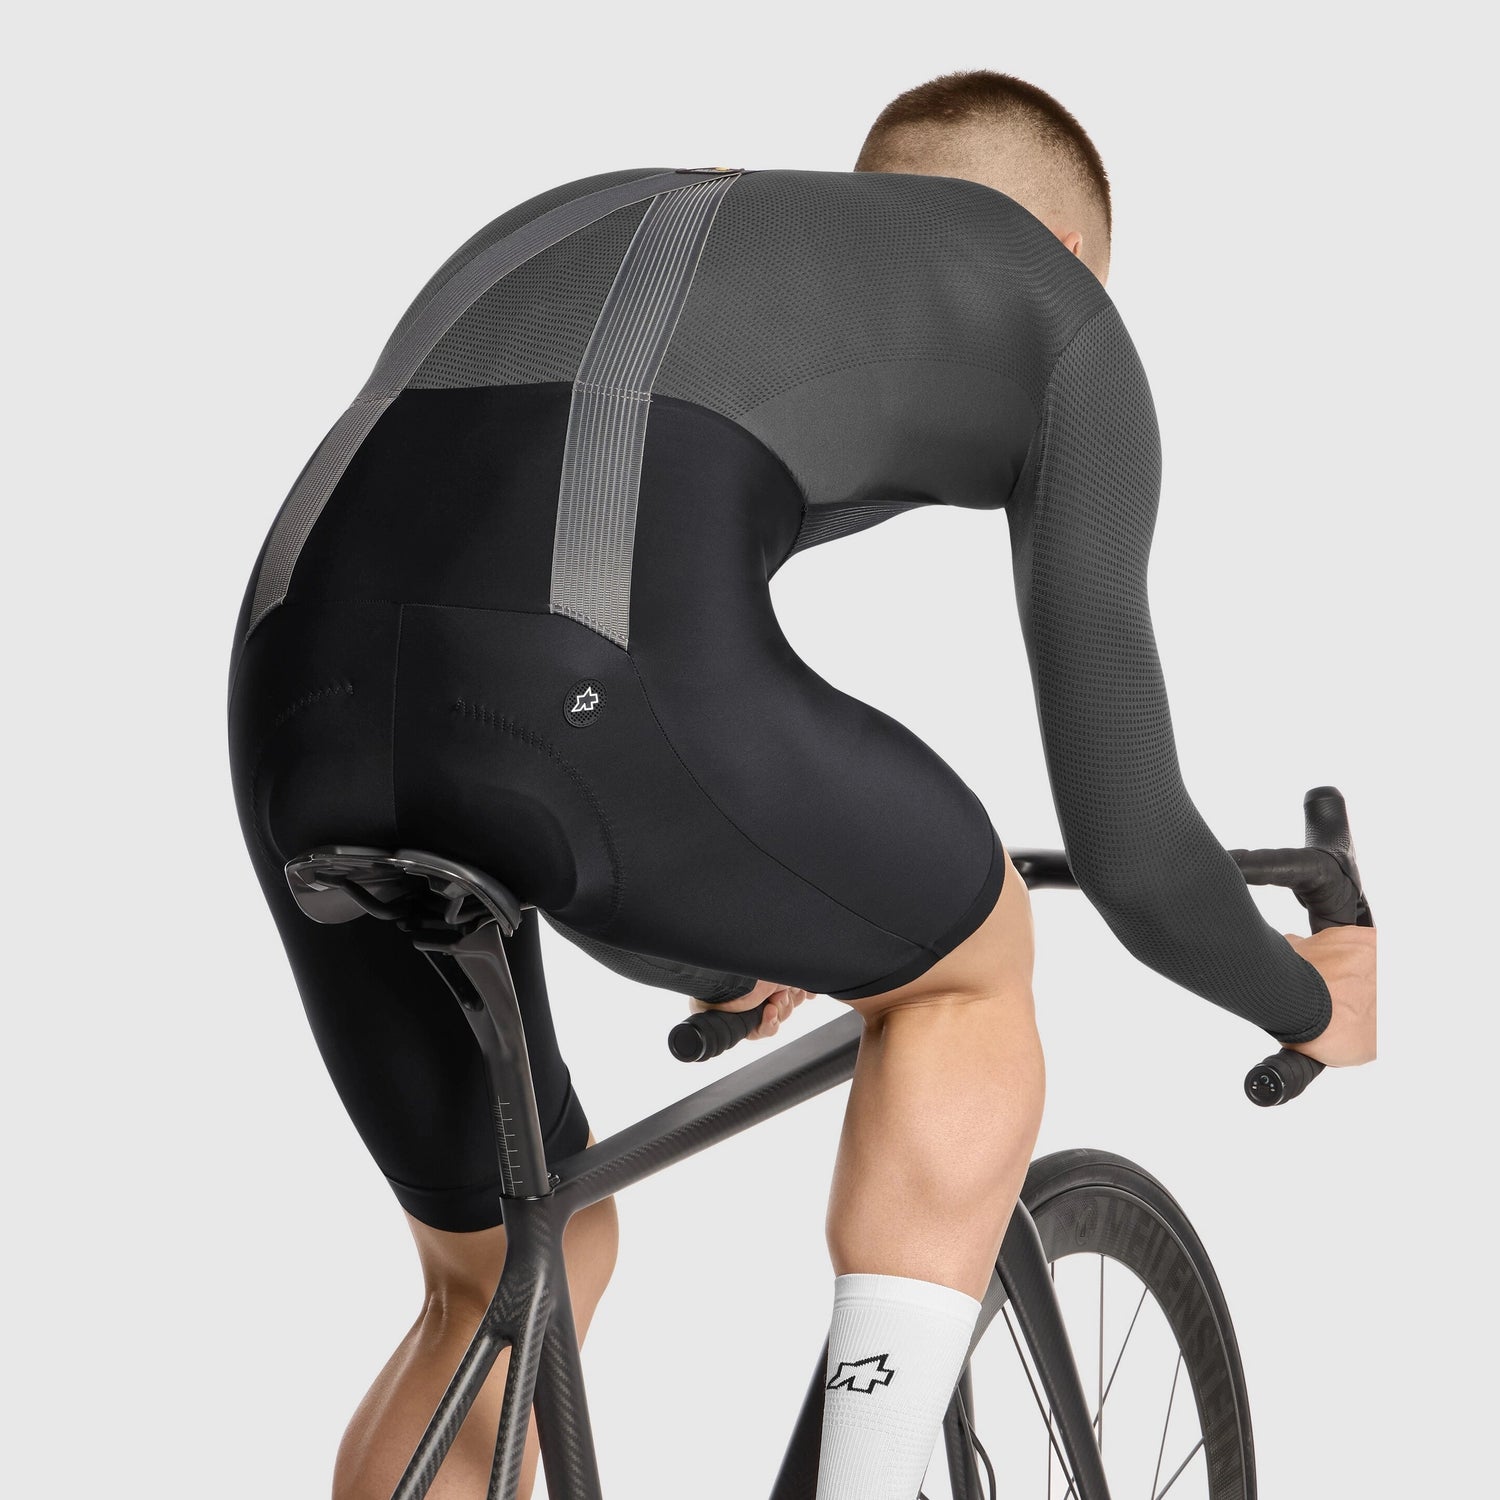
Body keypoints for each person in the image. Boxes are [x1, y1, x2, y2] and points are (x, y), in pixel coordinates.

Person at [227, 68, 1377, 1500]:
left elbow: (521, 675)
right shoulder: (1057, 304)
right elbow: (1133, 853)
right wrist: (1304, 997)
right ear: (1070, 247)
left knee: (511, 1270)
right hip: (581, 682)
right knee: (970, 963)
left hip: (293, 701)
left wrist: (719, 945)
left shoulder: (612, 216)